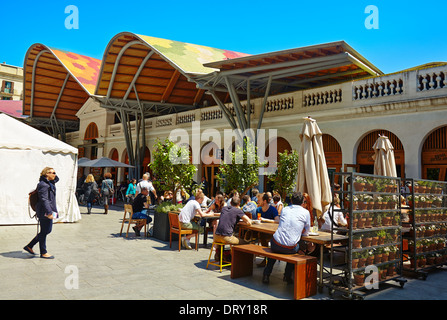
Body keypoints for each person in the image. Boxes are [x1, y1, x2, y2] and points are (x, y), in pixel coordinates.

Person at [262, 192, 311, 284]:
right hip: (290, 248)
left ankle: (266, 274)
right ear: (302, 202)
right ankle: (287, 276)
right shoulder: (306, 212)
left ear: (291, 200)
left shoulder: (285, 209)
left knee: (277, 247)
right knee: (296, 247)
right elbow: (307, 232)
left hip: (275, 244)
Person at [24, 167, 59, 259]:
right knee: (44, 231)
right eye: (52, 173)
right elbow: (44, 199)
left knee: (47, 230)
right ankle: (43, 252)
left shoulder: (50, 183)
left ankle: (30, 246)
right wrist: (49, 212)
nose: (54, 174)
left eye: (55, 172)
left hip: (49, 210)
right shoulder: (43, 185)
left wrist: (53, 175)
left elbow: (57, 179)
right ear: (46, 174)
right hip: (45, 211)